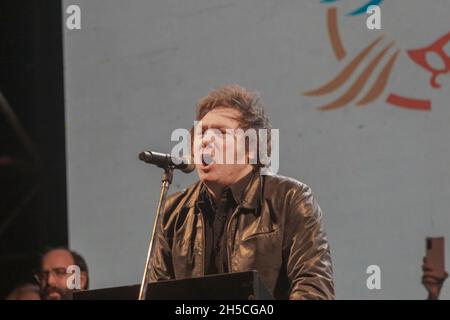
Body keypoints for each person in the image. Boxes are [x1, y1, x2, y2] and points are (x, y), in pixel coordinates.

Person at [149, 84, 334, 299]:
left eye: (220, 132)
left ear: (251, 149)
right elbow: (157, 294)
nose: (205, 140)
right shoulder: (174, 211)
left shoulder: (290, 199)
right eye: (201, 132)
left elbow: (314, 288)